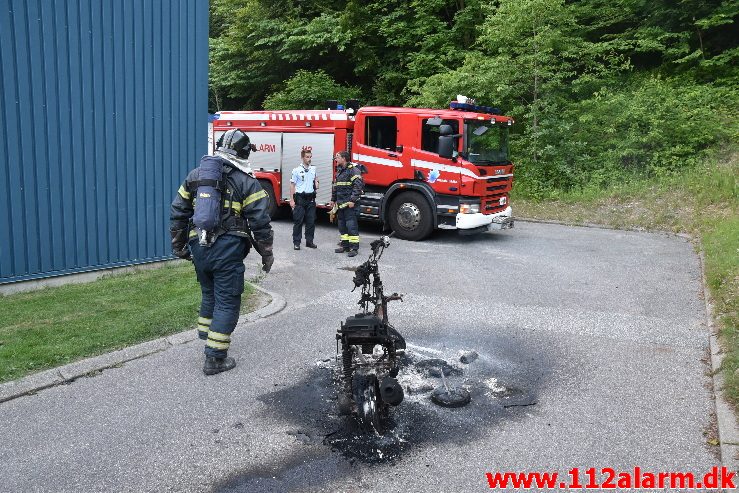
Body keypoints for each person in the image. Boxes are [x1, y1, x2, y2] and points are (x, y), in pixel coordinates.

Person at [170, 128, 274, 376]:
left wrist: (179, 245)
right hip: (226, 249)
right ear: (243, 151)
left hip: (199, 246)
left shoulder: (195, 176)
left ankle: (208, 338)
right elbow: (259, 222)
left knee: (209, 293)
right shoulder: (247, 181)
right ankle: (215, 358)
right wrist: (266, 253)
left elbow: (178, 211)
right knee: (227, 300)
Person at [330, 150, 363, 257]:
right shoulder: (339, 171)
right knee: (342, 226)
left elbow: (358, 186)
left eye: (338, 157)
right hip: (340, 204)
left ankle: (354, 248)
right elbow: (336, 187)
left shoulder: (353, 170)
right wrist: (333, 199)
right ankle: (345, 246)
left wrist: (353, 200)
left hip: (349, 204)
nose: (336, 159)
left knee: (351, 226)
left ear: (344, 158)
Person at [289, 149, 319, 250]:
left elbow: (315, 179)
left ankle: (309, 241)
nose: (309, 159)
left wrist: (316, 183)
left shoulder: (313, 169)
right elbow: (292, 185)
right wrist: (292, 200)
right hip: (300, 199)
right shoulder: (296, 170)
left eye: (310, 157)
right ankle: (296, 242)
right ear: (302, 158)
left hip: (311, 199)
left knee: (311, 221)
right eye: (307, 157)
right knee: (298, 221)